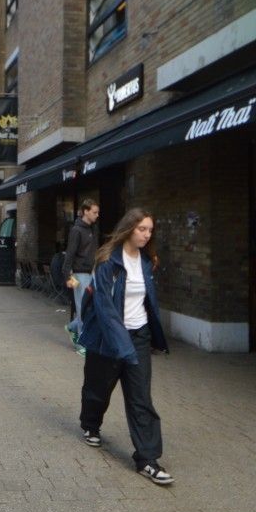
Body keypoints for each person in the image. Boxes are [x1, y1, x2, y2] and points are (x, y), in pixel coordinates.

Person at [77, 208, 173, 485]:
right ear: (129, 228)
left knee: (141, 398)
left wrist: (149, 338)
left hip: (139, 335)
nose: (147, 234)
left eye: (150, 230)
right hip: (108, 337)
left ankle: (148, 460)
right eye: (142, 229)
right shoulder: (107, 261)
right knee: (98, 389)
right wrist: (123, 348)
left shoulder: (146, 261)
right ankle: (90, 425)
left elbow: (147, 301)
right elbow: (105, 309)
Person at [63, 200, 101, 354]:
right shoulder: (76, 230)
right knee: (82, 308)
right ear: (85, 211)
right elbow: (70, 253)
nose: (97, 215)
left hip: (91, 273)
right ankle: (80, 343)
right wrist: (67, 277)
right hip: (79, 275)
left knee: (90, 307)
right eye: (94, 212)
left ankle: (72, 327)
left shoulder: (92, 229)